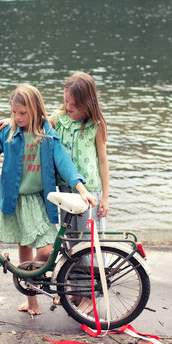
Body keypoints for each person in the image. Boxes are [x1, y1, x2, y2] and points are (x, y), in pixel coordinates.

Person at [0, 84, 96, 316]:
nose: (18, 118)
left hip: (38, 200)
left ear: (36, 110)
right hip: (14, 199)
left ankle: (38, 274)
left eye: (23, 113)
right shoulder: (9, 132)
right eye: (14, 113)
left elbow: (64, 163)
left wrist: (81, 189)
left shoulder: (47, 134)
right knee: (24, 247)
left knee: (45, 250)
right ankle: (32, 302)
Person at [50, 71, 109, 234]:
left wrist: (105, 197)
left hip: (90, 190)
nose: (68, 107)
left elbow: (103, 161)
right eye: (66, 101)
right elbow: (35, 125)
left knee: (89, 242)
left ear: (87, 102)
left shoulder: (96, 124)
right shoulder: (58, 118)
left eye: (74, 104)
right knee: (69, 241)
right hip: (65, 189)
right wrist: (11, 121)